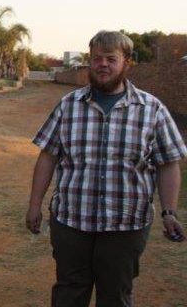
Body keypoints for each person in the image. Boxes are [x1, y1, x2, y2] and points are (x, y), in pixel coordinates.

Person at [26, 31, 187, 307]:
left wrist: (169, 211)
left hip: (126, 225)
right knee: (68, 293)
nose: (102, 65)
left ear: (127, 62)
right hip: (71, 221)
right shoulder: (68, 105)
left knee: (115, 296)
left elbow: (168, 163)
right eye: (97, 58)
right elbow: (48, 157)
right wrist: (34, 205)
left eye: (111, 59)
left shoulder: (152, 109)